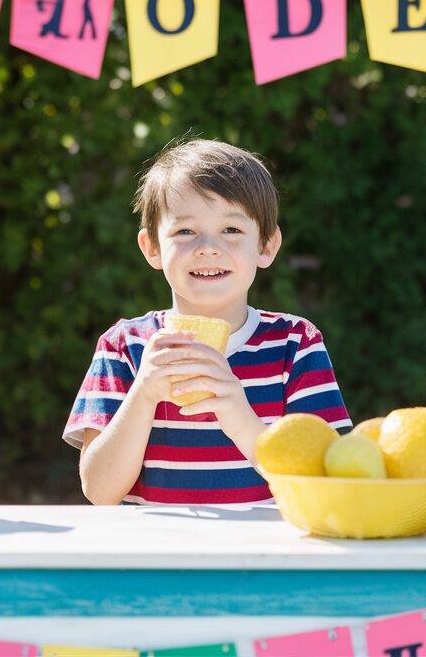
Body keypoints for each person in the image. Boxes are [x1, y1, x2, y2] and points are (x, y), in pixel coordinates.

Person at [63, 139, 351, 505]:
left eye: (231, 230)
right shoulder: (125, 347)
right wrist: (144, 394)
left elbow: (325, 481)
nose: (208, 247)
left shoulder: (296, 345)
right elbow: (100, 491)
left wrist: (243, 420)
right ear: (152, 247)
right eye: (185, 231)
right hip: (156, 555)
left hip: (266, 556)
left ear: (266, 246)